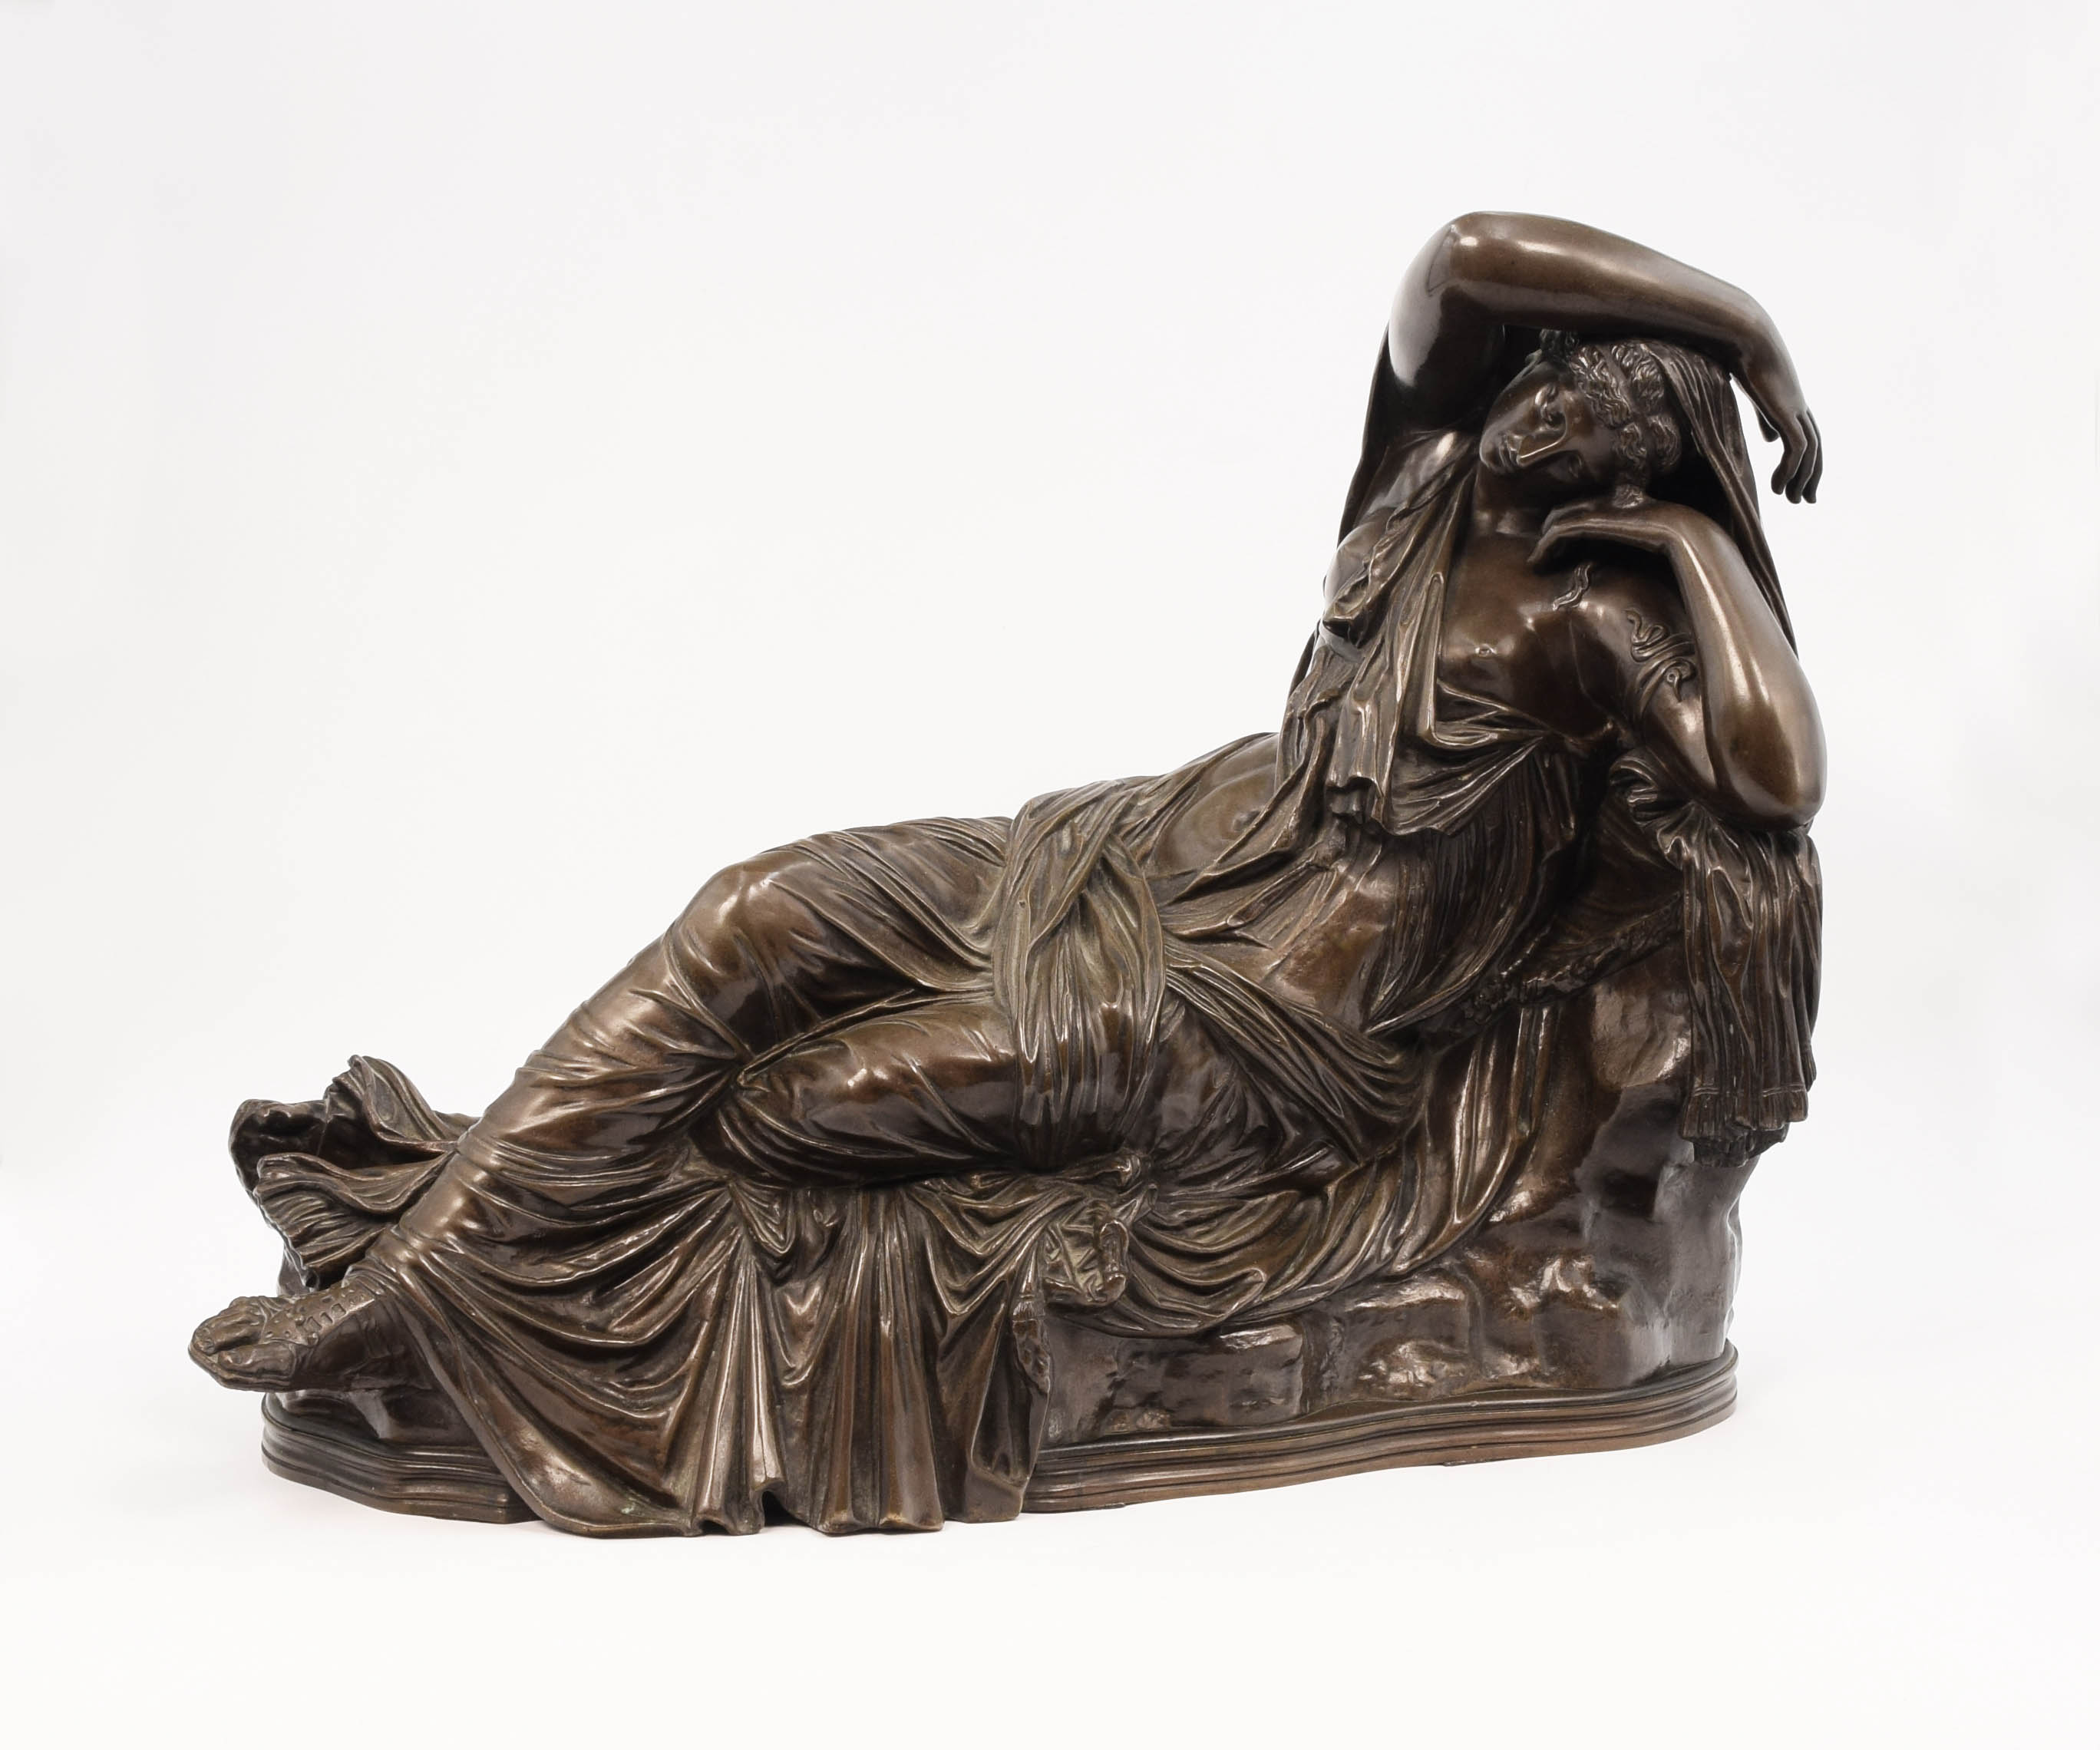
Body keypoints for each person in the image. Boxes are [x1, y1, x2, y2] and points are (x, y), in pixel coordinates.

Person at [192, 213, 1824, 1534]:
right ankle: (423, 1279)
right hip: (1109, 860)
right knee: (755, 909)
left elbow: (1777, 771)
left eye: (1608, 421)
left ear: (1636, 478)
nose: (1550, 412)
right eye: (1558, 377)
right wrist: (1743, 331)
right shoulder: (1420, 485)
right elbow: (1465, 258)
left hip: (1242, 1026)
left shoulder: (1591, 623)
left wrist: (1695, 548)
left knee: (796, 1113)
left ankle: (500, 1264)